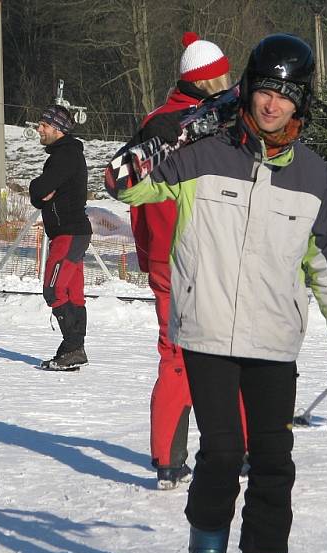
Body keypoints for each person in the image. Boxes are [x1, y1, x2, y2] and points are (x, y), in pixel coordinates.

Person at [107, 33, 327, 553]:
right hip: (207, 332)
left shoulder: (315, 177)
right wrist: (192, 121)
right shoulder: (202, 155)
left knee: (273, 460)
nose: (273, 104)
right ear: (245, 92)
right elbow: (120, 181)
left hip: (274, 340)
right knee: (223, 453)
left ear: (302, 103)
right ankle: (206, 549)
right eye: (264, 91)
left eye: (287, 94)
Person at [130, 31, 248, 490]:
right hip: (211, 252)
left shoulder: (153, 123)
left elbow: (134, 197)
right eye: (222, 73)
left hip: (164, 258)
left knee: (175, 355)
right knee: (236, 349)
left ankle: (168, 459)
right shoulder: (220, 124)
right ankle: (241, 449)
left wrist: (146, 254)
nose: (229, 80)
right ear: (205, 81)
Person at [29, 104, 93, 370]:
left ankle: (73, 347)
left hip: (69, 232)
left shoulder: (65, 155)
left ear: (57, 129)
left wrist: (37, 189)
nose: (39, 129)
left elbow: (40, 188)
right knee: (72, 293)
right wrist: (41, 194)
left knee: (53, 290)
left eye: (44, 125)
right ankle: (72, 349)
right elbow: (41, 195)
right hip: (72, 233)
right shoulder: (63, 154)